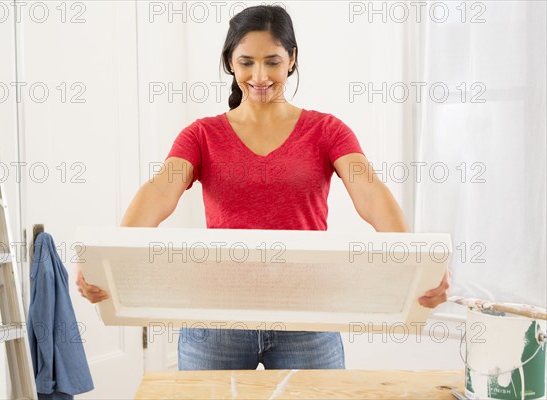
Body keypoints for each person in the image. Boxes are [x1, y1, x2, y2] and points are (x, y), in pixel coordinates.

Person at [76, 5, 451, 370]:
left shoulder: (326, 130)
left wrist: (413, 261)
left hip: (306, 319)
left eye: (272, 61)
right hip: (216, 319)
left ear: (291, 59)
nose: (259, 76)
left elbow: (367, 189)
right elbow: (160, 191)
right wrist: (110, 259)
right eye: (246, 62)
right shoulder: (202, 135)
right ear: (229, 62)